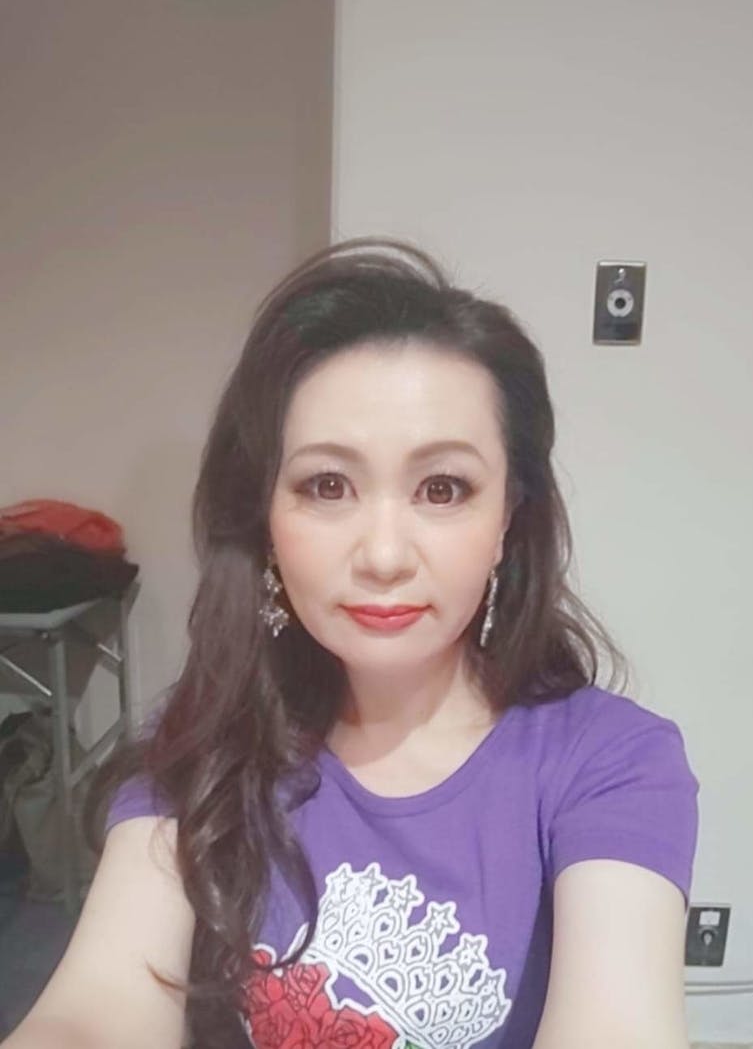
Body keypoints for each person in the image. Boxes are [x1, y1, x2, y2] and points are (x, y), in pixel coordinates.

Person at [3, 239, 699, 1049]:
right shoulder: (202, 744)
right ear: (265, 517)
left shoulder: (611, 763)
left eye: (442, 487)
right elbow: (97, 1010)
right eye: (327, 485)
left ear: (507, 517)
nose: (384, 555)